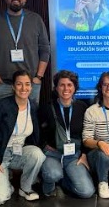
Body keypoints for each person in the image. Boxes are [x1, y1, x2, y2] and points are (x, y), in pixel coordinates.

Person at [0, 0, 50, 106]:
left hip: (30, 84)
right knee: (2, 117)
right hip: (2, 83)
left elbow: (45, 49)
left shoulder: (36, 20)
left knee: (29, 117)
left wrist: (38, 77)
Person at [0, 70, 45, 205]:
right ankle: (6, 184)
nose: (23, 88)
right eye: (19, 84)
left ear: (31, 87)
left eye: (27, 84)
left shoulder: (33, 106)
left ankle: (25, 188)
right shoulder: (1, 106)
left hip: (18, 152)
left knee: (37, 154)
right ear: (13, 87)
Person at [39, 70, 95, 199]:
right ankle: (49, 182)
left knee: (87, 192)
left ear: (75, 87)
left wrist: (84, 154)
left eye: (69, 85)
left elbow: (87, 133)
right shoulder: (46, 108)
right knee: (53, 174)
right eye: (62, 85)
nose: (66, 89)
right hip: (52, 154)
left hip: (73, 156)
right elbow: (38, 132)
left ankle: (63, 182)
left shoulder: (82, 107)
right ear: (56, 88)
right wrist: (44, 146)